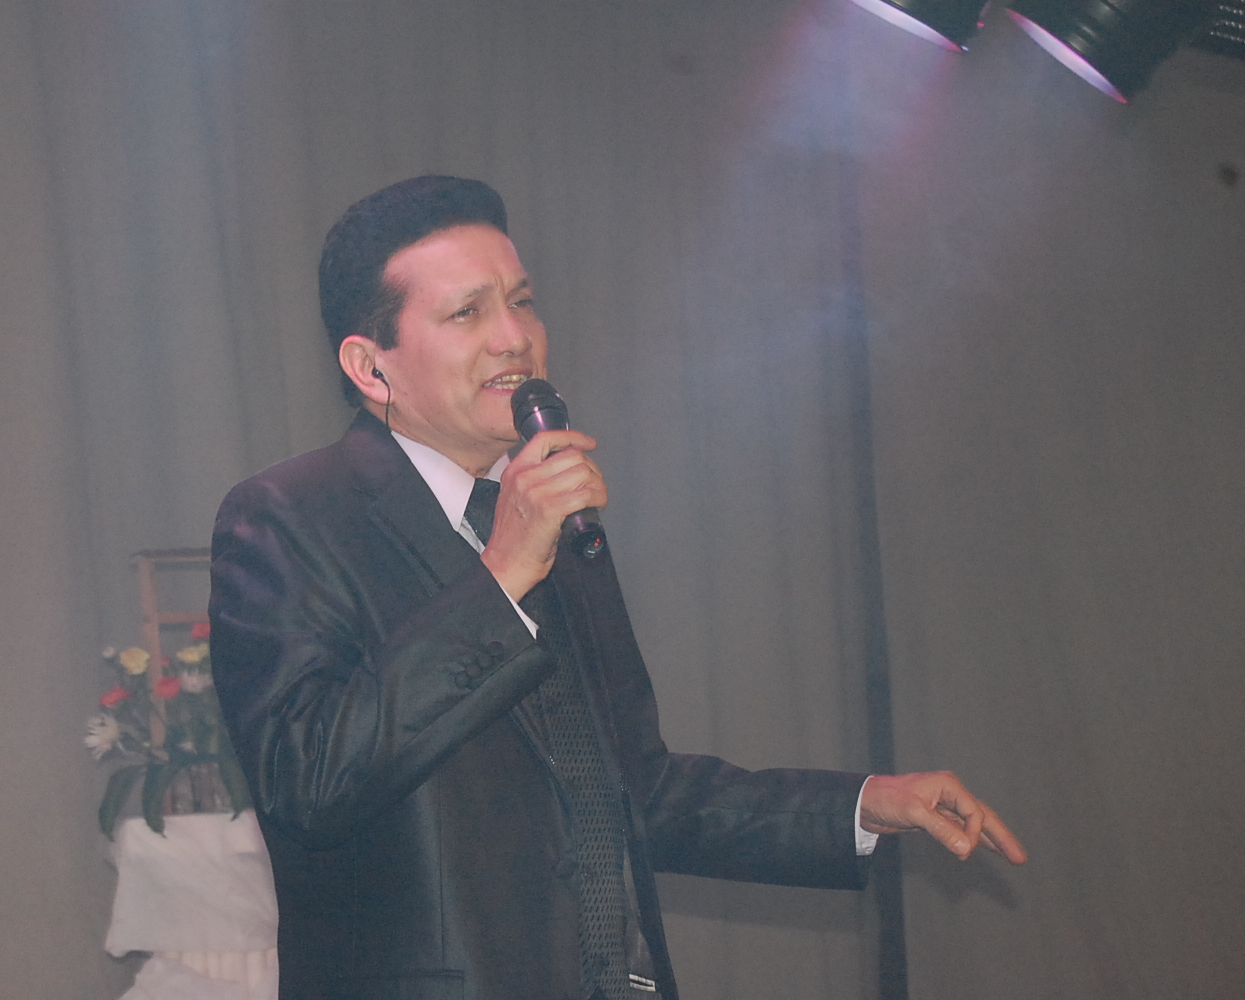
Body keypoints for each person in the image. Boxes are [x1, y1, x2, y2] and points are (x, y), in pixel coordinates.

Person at [209, 175, 1025, 1000]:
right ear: (369, 365)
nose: (514, 339)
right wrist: (502, 576)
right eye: (467, 314)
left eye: (521, 303)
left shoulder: (550, 520)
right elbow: (307, 779)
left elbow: (639, 791)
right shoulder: (289, 517)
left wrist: (866, 803)